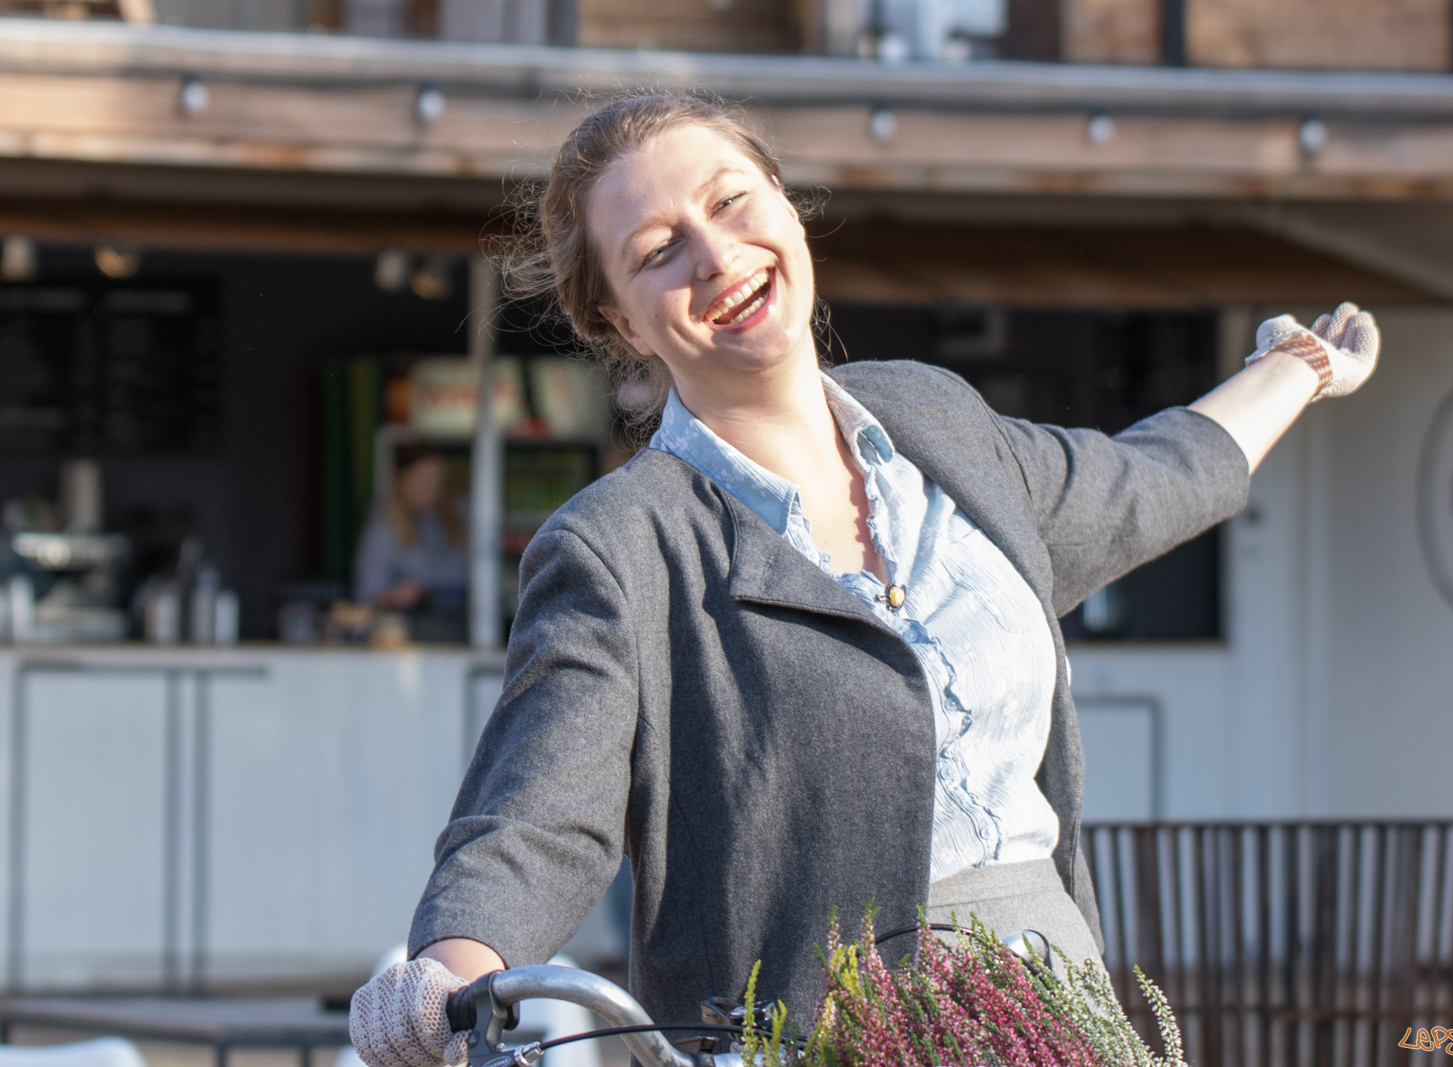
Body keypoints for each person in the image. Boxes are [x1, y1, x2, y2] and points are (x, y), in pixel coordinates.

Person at [348, 94, 1379, 1067]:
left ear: (786, 206)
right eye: (659, 251)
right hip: (820, 1028)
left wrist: (1300, 365)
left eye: (730, 201)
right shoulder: (622, 544)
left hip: (1061, 1007)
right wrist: (447, 970)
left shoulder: (938, 420)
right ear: (625, 324)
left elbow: (1141, 481)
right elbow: (537, 816)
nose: (716, 255)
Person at [353, 448, 468, 616]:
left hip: (458, 621)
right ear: (402, 480)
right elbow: (367, 595)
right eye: (425, 480)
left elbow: (473, 574)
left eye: (438, 481)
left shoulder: (455, 516)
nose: (433, 489)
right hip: (408, 624)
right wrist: (395, 597)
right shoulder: (384, 526)